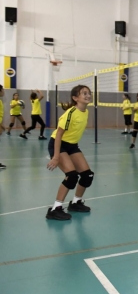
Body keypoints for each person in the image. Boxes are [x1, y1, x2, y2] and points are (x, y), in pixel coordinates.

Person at [45, 85, 94, 221]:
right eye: (84, 93)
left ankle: (76, 202)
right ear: (75, 98)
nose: (88, 95)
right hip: (59, 144)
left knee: (87, 175)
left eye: (89, 93)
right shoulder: (70, 113)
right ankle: (55, 209)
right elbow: (58, 135)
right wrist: (56, 157)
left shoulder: (85, 112)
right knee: (72, 176)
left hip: (72, 146)